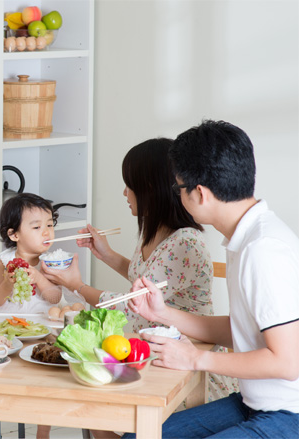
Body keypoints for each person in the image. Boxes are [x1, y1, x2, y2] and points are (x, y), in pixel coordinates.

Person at [125, 120, 299, 438]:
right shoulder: (245, 237)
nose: (177, 196)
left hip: (288, 414)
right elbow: (240, 328)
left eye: (179, 188)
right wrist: (161, 313)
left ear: (200, 194)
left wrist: (196, 358)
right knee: (137, 435)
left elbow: (287, 362)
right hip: (254, 402)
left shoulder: (262, 250)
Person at [41, 138, 237, 408]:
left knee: (94, 399)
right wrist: (106, 254)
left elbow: (131, 305)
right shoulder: (154, 232)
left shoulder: (184, 243)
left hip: (186, 362)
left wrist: (78, 286)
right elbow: (144, 280)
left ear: (149, 188)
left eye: (129, 185)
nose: (124, 193)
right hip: (152, 350)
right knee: (89, 392)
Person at [0, 193, 63, 439]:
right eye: (37, 227)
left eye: (50, 225)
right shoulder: (4, 263)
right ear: (14, 235)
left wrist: (40, 278)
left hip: (41, 331)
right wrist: (7, 284)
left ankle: (43, 431)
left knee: (47, 375)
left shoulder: (52, 262)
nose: (46, 232)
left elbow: (56, 298)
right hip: (5, 329)